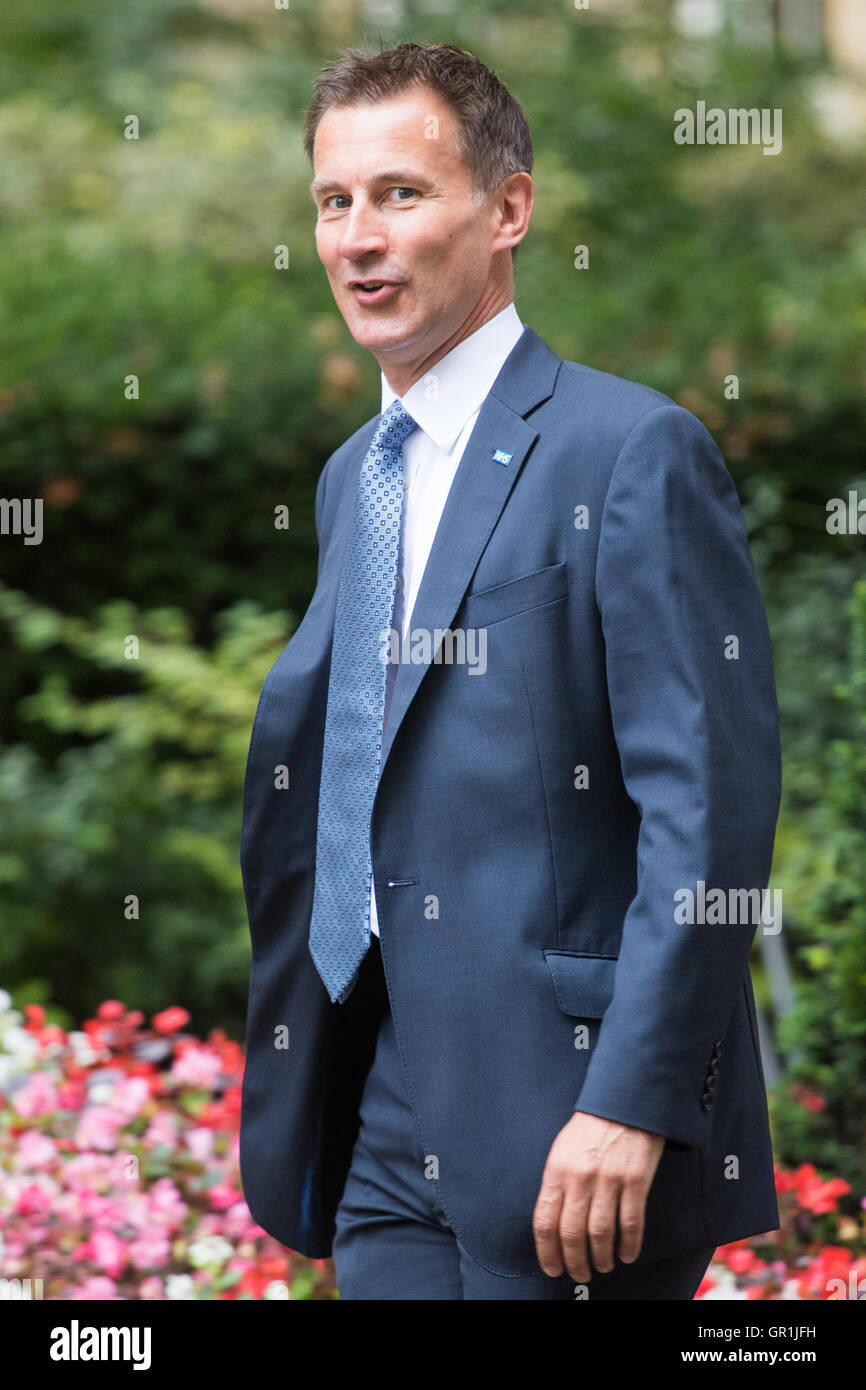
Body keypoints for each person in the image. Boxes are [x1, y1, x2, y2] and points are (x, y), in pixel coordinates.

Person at [238, 41, 781, 1300]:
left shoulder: (631, 451)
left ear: (509, 211)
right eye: (334, 201)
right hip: (379, 1110)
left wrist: (633, 1103)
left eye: (401, 194)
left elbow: (705, 813)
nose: (359, 237)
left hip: (571, 1140)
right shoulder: (349, 479)